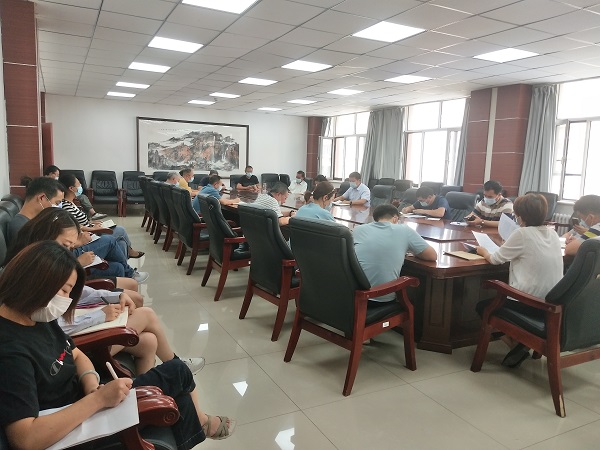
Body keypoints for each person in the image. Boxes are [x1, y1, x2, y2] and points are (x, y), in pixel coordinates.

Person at [0, 242, 235, 450]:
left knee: (178, 382)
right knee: (178, 385)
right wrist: (97, 400)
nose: (66, 300)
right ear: (37, 281)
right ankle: (202, 424)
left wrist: (92, 385)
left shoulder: (36, 315)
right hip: (70, 429)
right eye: (64, 290)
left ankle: (199, 426)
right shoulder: (10, 351)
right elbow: (26, 439)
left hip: (83, 401)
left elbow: (76, 354)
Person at [5, 209, 205, 375]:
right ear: (46, 235)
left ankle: (143, 392)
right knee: (146, 315)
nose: (68, 252)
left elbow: (77, 293)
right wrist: (99, 316)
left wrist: (115, 296)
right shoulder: (33, 272)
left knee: (149, 342)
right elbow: (51, 328)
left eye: (71, 247)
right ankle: (176, 366)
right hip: (66, 346)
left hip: (68, 334)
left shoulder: (42, 262)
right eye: (66, 246)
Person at [475, 193, 563, 367]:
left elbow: (495, 259)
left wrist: (483, 250)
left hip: (528, 303)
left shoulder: (522, 233)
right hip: (551, 302)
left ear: (521, 216)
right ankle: (521, 343)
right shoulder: (552, 233)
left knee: (482, 307)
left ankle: (518, 343)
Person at [353, 204, 437, 302]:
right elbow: (432, 255)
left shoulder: (358, 230)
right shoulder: (404, 230)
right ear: (395, 218)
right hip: (379, 298)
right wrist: (410, 250)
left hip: (352, 297)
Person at [59, 173, 145, 259]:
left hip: (90, 230)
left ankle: (126, 264)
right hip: (87, 236)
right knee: (120, 230)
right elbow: (76, 226)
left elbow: (78, 221)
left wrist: (91, 223)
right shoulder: (67, 206)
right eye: (78, 184)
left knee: (121, 243)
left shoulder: (72, 203)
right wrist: (93, 229)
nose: (80, 186)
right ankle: (130, 252)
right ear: (71, 188)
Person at [7, 177, 63, 243]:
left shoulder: (34, 222)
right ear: (42, 198)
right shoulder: (21, 226)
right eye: (57, 203)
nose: (57, 207)